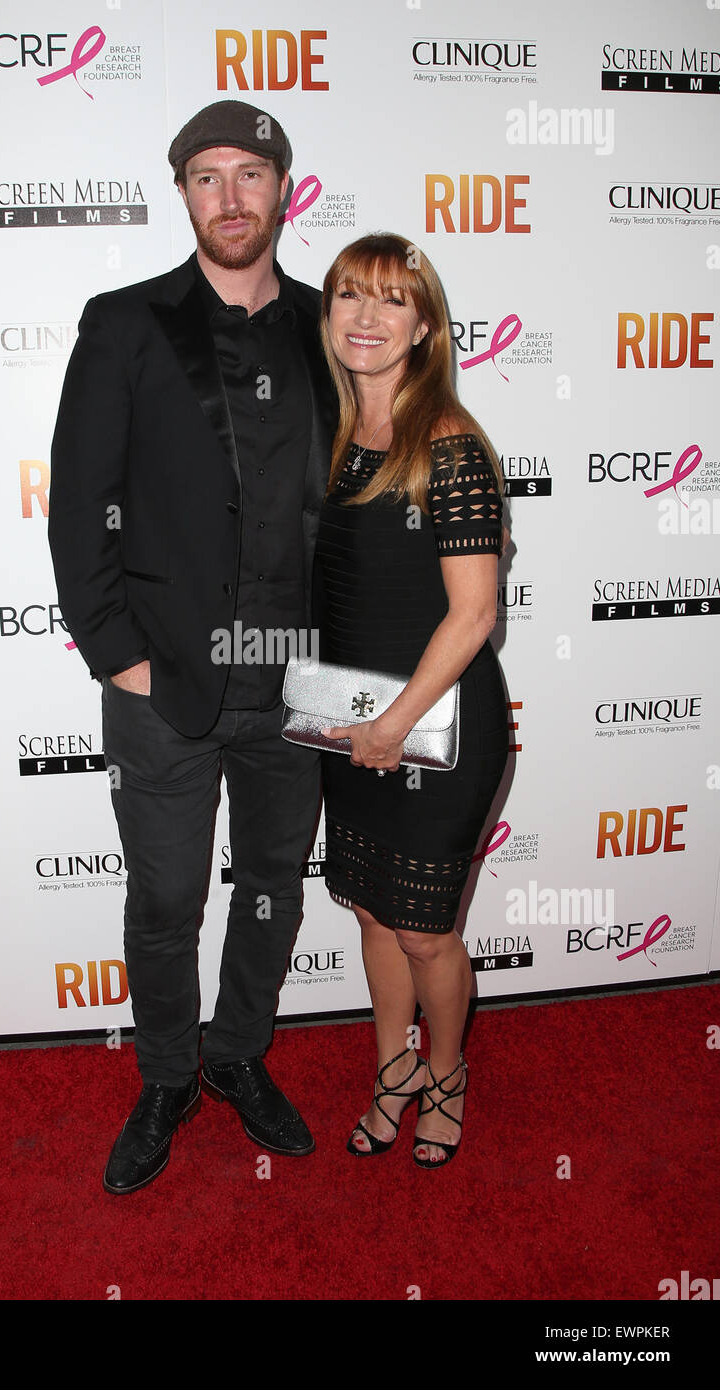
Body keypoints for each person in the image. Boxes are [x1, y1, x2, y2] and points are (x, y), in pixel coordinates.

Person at [48, 101, 337, 1194]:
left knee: (270, 881)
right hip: (164, 683)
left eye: (249, 174)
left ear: (280, 190)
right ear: (182, 193)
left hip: (298, 684)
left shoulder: (329, 326)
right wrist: (115, 654)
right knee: (166, 898)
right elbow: (81, 506)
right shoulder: (122, 324)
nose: (229, 196)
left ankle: (236, 1055)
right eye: (207, 176)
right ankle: (165, 1074)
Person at [315, 233, 508, 1167]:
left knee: (427, 933)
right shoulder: (333, 434)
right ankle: (390, 1070)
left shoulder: (452, 444)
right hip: (349, 722)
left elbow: (472, 616)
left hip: (439, 725)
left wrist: (393, 725)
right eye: (350, 295)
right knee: (369, 913)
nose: (366, 316)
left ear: (423, 323)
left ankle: (447, 1072)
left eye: (392, 299)